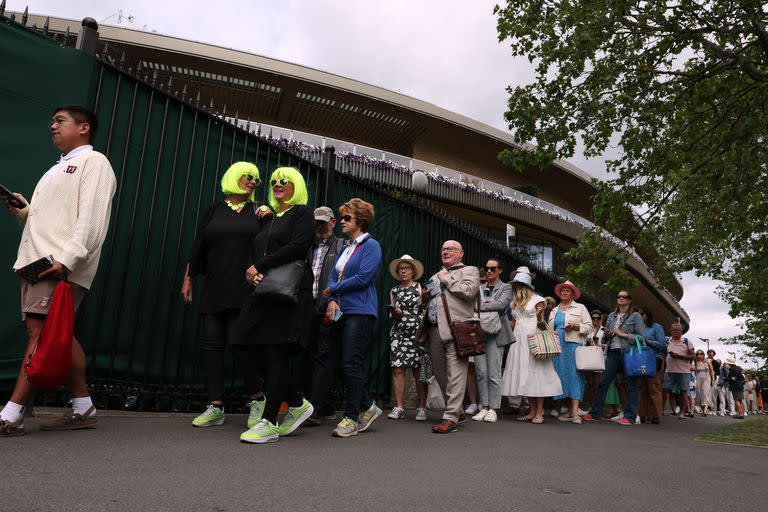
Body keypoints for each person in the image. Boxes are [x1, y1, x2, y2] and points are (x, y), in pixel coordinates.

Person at [0, 105, 117, 437]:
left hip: (58, 265)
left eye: (60, 120)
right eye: (52, 120)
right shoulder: (59, 168)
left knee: (40, 335)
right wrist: (26, 212)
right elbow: (52, 218)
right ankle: (84, 407)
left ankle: (12, 414)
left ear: (84, 128)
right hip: (39, 262)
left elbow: (92, 219)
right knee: (57, 336)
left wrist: (68, 259)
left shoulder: (95, 163)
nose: (52, 125)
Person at [183, 162, 268, 429]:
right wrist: (188, 278)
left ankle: (257, 399)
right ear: (234, 178)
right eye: (248, 177)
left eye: (256, 179)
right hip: (214, 287)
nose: (253, 182)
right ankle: (216, 406)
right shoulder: (214, 210)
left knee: (240, 346)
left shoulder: (259, 210)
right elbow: (199, 245)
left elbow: (270, 245)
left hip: (245, 288)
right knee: (212, 346)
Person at [238, 167, 315, 443]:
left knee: (276, 352)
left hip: (290, 292)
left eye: (284, 180)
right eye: (274, 181)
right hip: (264, 290)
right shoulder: (268, 218)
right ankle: (296, 402)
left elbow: (299, 246)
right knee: (252, 347)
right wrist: (255, 271)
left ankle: (270, 421)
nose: (277, 184)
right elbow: (259, 249)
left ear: (296, 185)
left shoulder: (303, 213)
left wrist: (260, 265)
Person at [323, 198, 383, 438]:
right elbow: (331, 278)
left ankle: (351, 418)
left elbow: (363, 278)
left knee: (351, 363)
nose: (343, 222)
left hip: (361, 311)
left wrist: (334, 291)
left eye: (347, 218)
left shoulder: (371, 246)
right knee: (340, 363)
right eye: (343, 217)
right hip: (342, 311)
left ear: (361, 220)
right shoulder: (346, 247)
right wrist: (332, 299)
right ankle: (368, 407)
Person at [417, 240, 480, 433]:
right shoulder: (436, 274)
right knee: (438, 371)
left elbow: (469, 292)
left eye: (450, 249)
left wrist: (446, 279)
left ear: (461, 253)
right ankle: (458, 410)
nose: (445, 251)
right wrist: (425, 296)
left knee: (456, 373)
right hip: (434, 328)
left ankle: (451, 417)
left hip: (457, 328)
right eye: (443, 249)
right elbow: (428, 299)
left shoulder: (470, 270)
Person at [501, 267, 563, 424]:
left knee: (537, 374)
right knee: (525, 375)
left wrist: (540, 316)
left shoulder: (538, 300)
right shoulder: (514, 302)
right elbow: (514, 324)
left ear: (523, 286)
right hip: (518, 340)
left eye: (516, 285)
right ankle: (531, 411)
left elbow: (542, 325)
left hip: (534, 339)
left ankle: (539, 413)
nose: (514, 288)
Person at [303, 206, 345, 426]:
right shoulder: (308, 246)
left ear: (333, 223)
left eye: (323, 221)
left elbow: (341, 275)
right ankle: (325, 405)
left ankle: (317, 408)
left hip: (328, 306)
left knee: (324, 355)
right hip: (306, 306)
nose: (320, 226)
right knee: (311, 355)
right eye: (317, 222)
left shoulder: (340, 246)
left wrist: (333, 300)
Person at [583, 290, 645, 425]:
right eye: (619, 296)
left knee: (631, 385)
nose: (621, 298)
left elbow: (641, 337)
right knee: (603, 383)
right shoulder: (611, 315)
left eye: (624, 297)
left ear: (629, 300)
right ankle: (595, 413)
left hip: (628, 353)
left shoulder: (635, 316)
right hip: (612, 353)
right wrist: (607, 335)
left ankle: (630, 417)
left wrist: (623, 334)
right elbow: (606, 338)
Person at [386, 254, 427, 421]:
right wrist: (395, 313)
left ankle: (422, 407)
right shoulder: (394, 290)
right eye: (401, 268)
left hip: (416, 333)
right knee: (397, 369)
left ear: (413, 271)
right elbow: (392, 314)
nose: (403, 271)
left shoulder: (419, 288)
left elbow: (424, 310)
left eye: (406, 268)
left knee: (418, 371)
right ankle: (399, 406)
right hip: (399, 333)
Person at [471, 259, 513, 423]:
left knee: (494, 373)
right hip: (480, 333)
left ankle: (494, 408)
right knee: (481, 372)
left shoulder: (506, 287)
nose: (489, 271)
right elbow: (473, 304)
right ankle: (484, 406)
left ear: (500, 270)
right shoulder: (479, 288)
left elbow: (502, 305)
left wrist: (480, 306)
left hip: (497, 333)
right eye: (487, 268)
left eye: (493, 268)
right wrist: (487, 304)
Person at [547, 280, 591, 424]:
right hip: (557, 347)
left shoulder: (581, 308)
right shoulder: (554, 310)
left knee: (574, 376)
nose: (564, 292)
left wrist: (576, 326)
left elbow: (589, 327)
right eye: (562, 290)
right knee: (560, 376)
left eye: (567, 290)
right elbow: (549, 330)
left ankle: (575, 413)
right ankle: (566, 409)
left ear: (573, 294)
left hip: (573, 345)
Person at [637, 306, 668, 424]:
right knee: (642, 388)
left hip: (653, 360)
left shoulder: (656, 327)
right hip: (640, 360)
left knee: (654, 387)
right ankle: (643, 414)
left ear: (646, 315)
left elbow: (663, 345)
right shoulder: (638, 328)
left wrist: (649, 342)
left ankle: (655, 414)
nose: (639, 317)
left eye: (641, 314)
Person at [661, 323, 695, 421]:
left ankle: (682, 412)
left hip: (683, 371)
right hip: (669, 370)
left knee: (683, 391)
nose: (676, 332)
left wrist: (680, 357)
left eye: (678, 330)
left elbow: (693, 356)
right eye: (674, 330)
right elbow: (664, 354)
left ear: (681, 331)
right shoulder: (667, 341)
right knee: (664, 389)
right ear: (671, 331)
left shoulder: (686, 341)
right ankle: (660, 410)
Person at [694, 350, 715, 416]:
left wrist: (713, 380)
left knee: (704, 391)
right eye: (698, 354)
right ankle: (703, 409)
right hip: (698, 378)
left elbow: (711, 371)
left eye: (701, 353)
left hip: (706, 378)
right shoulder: (695, 362)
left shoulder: (708, 361)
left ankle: (705, 411)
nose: (699, 355)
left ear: (703, 354)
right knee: (700, 393)